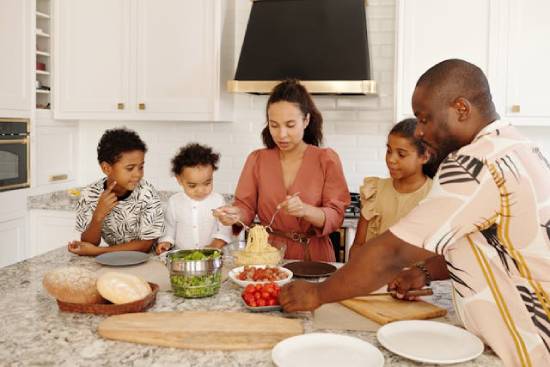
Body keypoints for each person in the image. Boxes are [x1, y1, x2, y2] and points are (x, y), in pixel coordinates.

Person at [279, 59, 550, 366]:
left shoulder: (473, 163)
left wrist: (317, 294)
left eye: (425, 119)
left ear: (461, 108)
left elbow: (391, 254)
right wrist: (423, 272)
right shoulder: (519, 147)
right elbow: (492, 245)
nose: (420, 131)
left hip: (529, 349)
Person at [214, 79, 350, 262]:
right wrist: (234, 215)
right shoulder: (257, 160)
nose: (281, 134)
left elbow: (336, 217)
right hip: (267, 254)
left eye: (290, 125)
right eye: (274, 125)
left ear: (306, 120)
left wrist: (305, 210)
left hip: (314, 257)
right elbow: (245, 207)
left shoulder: (326, 159)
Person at [69, 128, 164, 256]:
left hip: (146, 259)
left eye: (141, 167)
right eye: (130, 168)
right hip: (111, 261)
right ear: (106, 168)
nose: (138, 174)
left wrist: (99, 251)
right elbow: (89, 243)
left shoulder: (147, 193)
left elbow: (145, 245)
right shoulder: (89, 194)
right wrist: (98, 215)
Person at [349, 118, 434, 260]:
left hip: (415, 280)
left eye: (401, 154)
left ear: (424, 157)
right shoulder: (375, 191)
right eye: (389, 151)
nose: (391, 159)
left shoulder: (434, 196)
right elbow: (358, 245)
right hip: (373, 277)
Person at [155, 143, 232, 254]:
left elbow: (225, 229)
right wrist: (166, 242)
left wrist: (214, 245)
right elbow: (169, 228)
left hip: (211, 257)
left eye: (207, 183)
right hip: (182, 258)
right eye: (192, 185)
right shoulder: (174, 202)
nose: (200, 190)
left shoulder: (218, 200)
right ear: (179, 180)